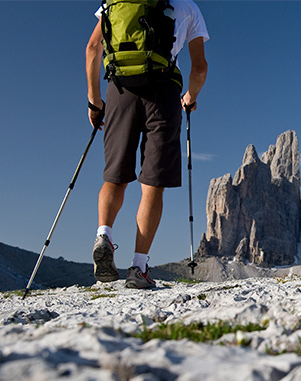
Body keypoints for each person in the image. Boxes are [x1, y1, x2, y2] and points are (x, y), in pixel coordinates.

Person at [85, 0, 208, 288]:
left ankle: (104, 234)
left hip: (119, 89)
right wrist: (190, 97)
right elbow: (199, 67)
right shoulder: (188, 6)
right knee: (152, 183)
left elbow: (93, 48)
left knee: (115, 176)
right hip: (164, 92)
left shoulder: (117, 1)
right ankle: (138, 268)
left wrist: (94, 101)